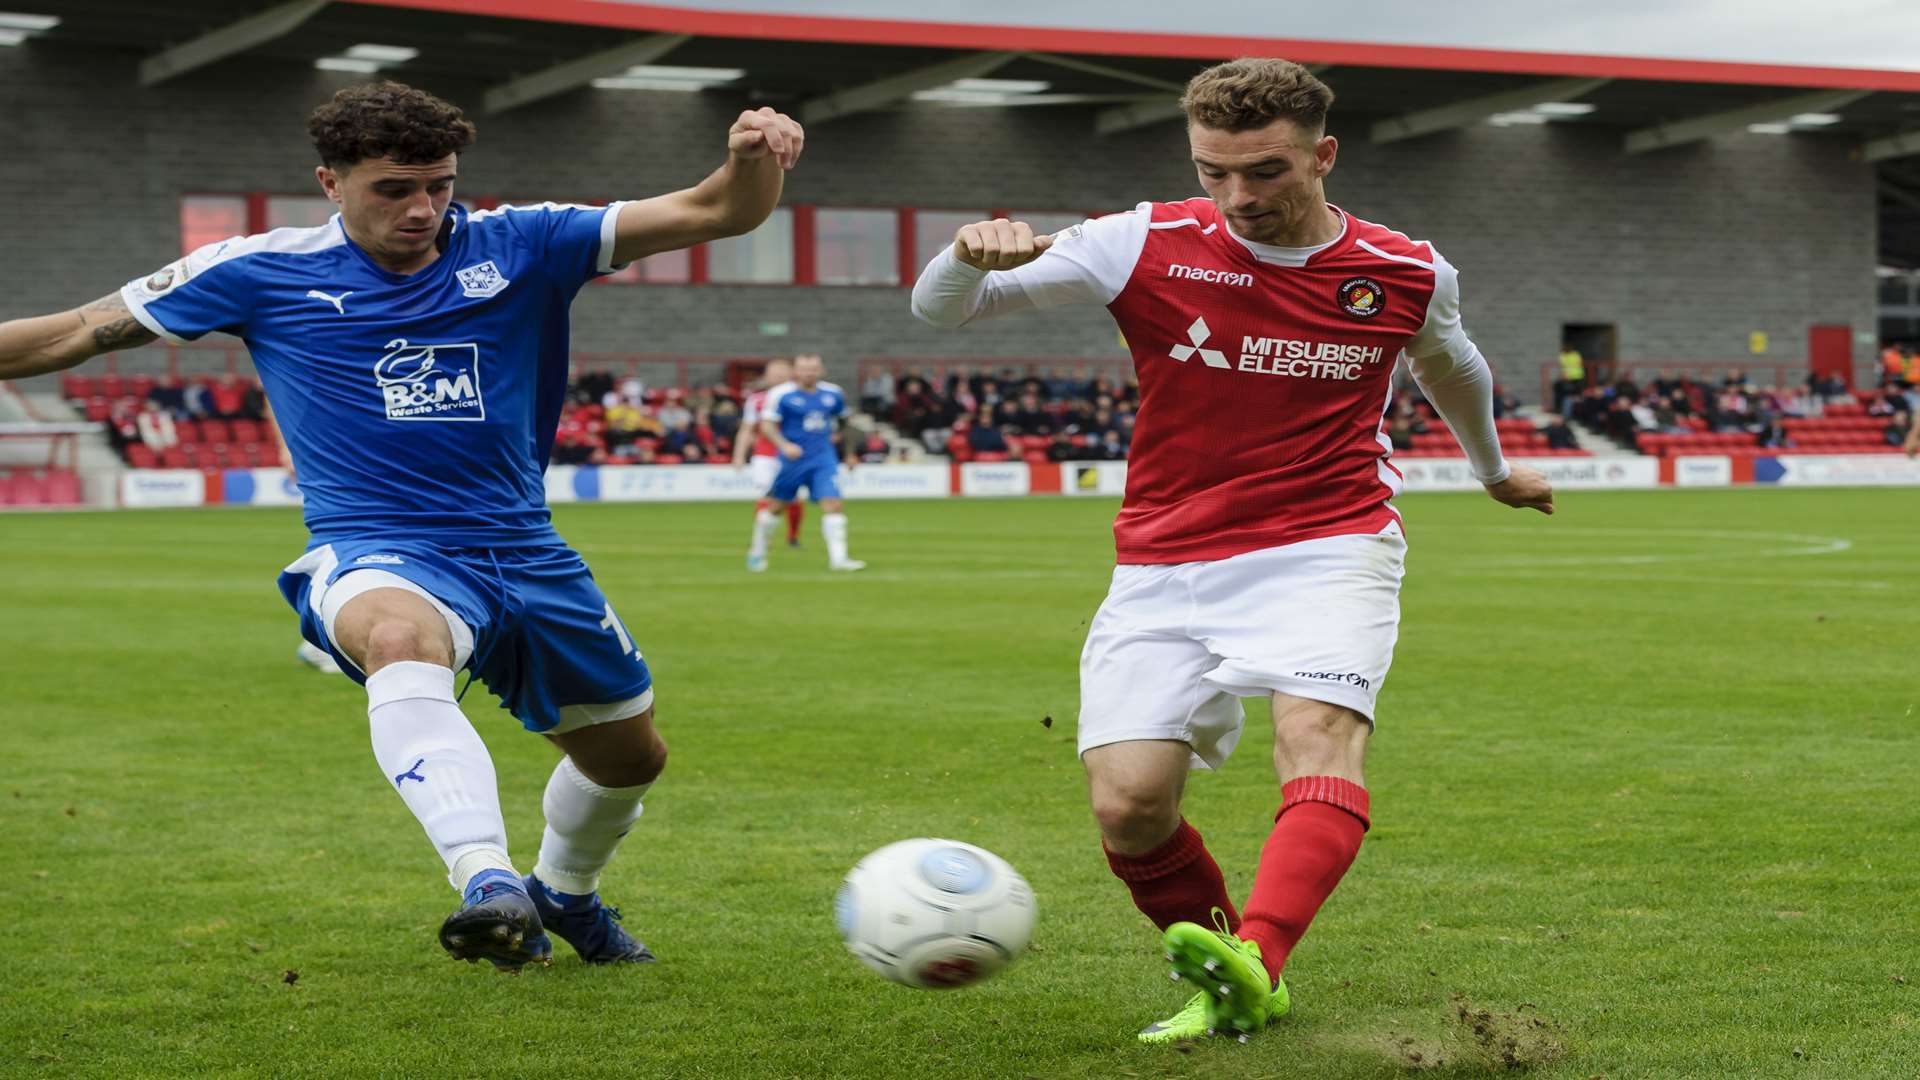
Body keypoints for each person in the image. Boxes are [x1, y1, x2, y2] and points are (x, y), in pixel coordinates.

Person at [0, 81, 805, 970]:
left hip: (525, 549)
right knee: (396, 635)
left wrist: (752, 158)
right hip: (381, 546)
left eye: (440, 185)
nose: (423, 209)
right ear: (330, 182)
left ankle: (563, 895)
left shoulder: (525, 242)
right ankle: (486, 881)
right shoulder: (258, 268)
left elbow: (719, 211)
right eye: (393, 189)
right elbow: (69, 334)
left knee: (628, 759)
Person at [910, 58, 1553, 1045]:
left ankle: (1257, 959)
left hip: (1330, 542)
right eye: (1215, 171)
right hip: (1164, 559)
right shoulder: (1142, 242)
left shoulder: (1405, 268)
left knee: (1318, 743)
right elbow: (940, 311)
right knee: (1129, 805)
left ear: (1322, 155)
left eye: (1264, 172)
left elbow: (1452, 364)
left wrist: (1493, 471)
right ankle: (1232, 976)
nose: (1237, 197)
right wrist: (966, 256)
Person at [746, 353, 864, 571]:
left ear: (821, 371)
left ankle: (839, 559)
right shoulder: (780, 394)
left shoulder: (833, 393)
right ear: (796, 371)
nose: (808, 373)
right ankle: (758, 549)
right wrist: (784, 445)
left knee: (834, 504)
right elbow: (767, 426)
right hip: (793, 460)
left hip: (823, 458)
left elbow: (845, 424)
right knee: (775, 507)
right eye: (803, 369)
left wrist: (849, 453)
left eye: (813, 369)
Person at [732, 358, 804, 549]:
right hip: (764, 454)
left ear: (792, 374)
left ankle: (793, 537)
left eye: (782, 371)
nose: (778, 375)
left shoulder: (800, 397)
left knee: (792, 498)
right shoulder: (756, 400)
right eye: (774, 371)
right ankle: (762, 539)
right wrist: (739, 455)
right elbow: (747, 429)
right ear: (766, 375)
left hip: (792, 454)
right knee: (765, 495)